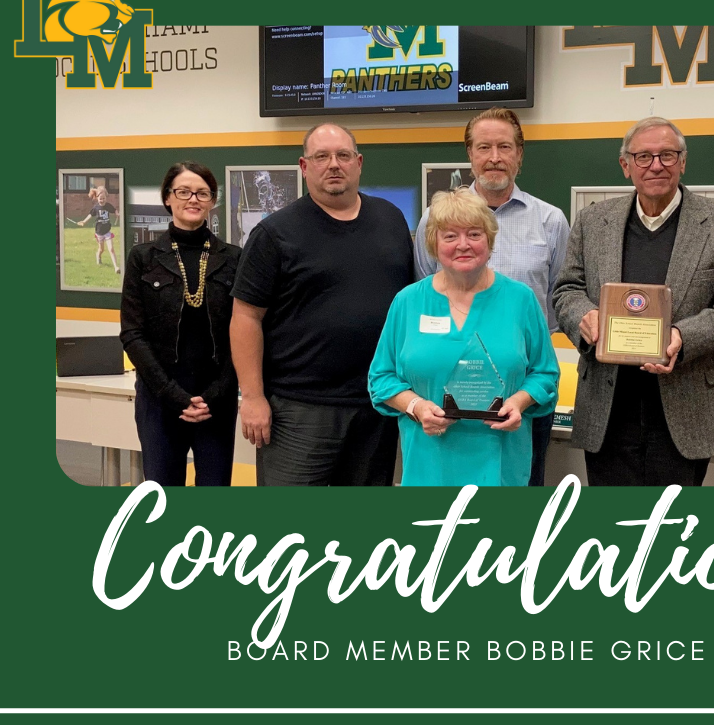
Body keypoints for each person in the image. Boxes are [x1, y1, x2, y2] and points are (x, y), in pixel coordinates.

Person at [553, 116, 714, 487]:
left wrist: (682, 335)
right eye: (643, 156)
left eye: (667, 155)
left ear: (683, 162)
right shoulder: (591, 221)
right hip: (608, 407)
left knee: (674, 526)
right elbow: (567, 289)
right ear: (625, 165)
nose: (656, 165)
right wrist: (584, 317)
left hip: (687, 405)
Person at [230, 123, 413, 486]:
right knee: (290, 529)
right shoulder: (274, 233)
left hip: (377, 403)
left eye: (343, 155)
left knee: (363, 530)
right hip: (299, 410)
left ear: (358, 162)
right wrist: (252, 397)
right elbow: (245, 317)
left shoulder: (391, 220)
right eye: (321, 157)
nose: (334, 164)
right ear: (304, 166)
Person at [413, 108, 569, 487]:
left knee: (520, 489)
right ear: (470, 154)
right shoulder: (434, 219)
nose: (494, 157)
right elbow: (424, 291)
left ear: (520, 154)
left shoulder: (550, 222)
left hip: (522, 395)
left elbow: (560, 299)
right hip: (442, 399)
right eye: (484, 147)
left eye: (504, 146)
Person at [370, 188, 560, 486]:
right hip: (428, 461)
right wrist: (417, 407)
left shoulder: (520, 299)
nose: (463, 245)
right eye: (450, 236)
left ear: (489, 240)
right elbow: (381, 378)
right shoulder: (408, 301)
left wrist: (520, 402)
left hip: (501, 463)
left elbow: (545, 373)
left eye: (474, 234)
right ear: (433, 243)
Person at [119, 162, 241, 486]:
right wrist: (173, 395)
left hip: (216, 399)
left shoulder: (234, 258)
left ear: (212, 201)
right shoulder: (142, 257)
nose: (193, 199)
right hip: (160, 400)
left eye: (202, 192)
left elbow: (243, 333)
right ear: (168, 198)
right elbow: (132, 333)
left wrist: (215, 395)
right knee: (161, 495)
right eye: (183, 191)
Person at [78, 185, 121, 274]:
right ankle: (98, 255)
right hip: (99, 233)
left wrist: (117, 214)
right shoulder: (96, 207)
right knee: (101, 250)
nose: (102, 200)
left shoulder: (108, 206)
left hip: (107, 232)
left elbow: (114, 210)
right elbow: (90, 215)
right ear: (97, 198)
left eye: (104, 198)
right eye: (100, 199)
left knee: (111, 249)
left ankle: (116, 267)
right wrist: (84, 222)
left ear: (106, 198)